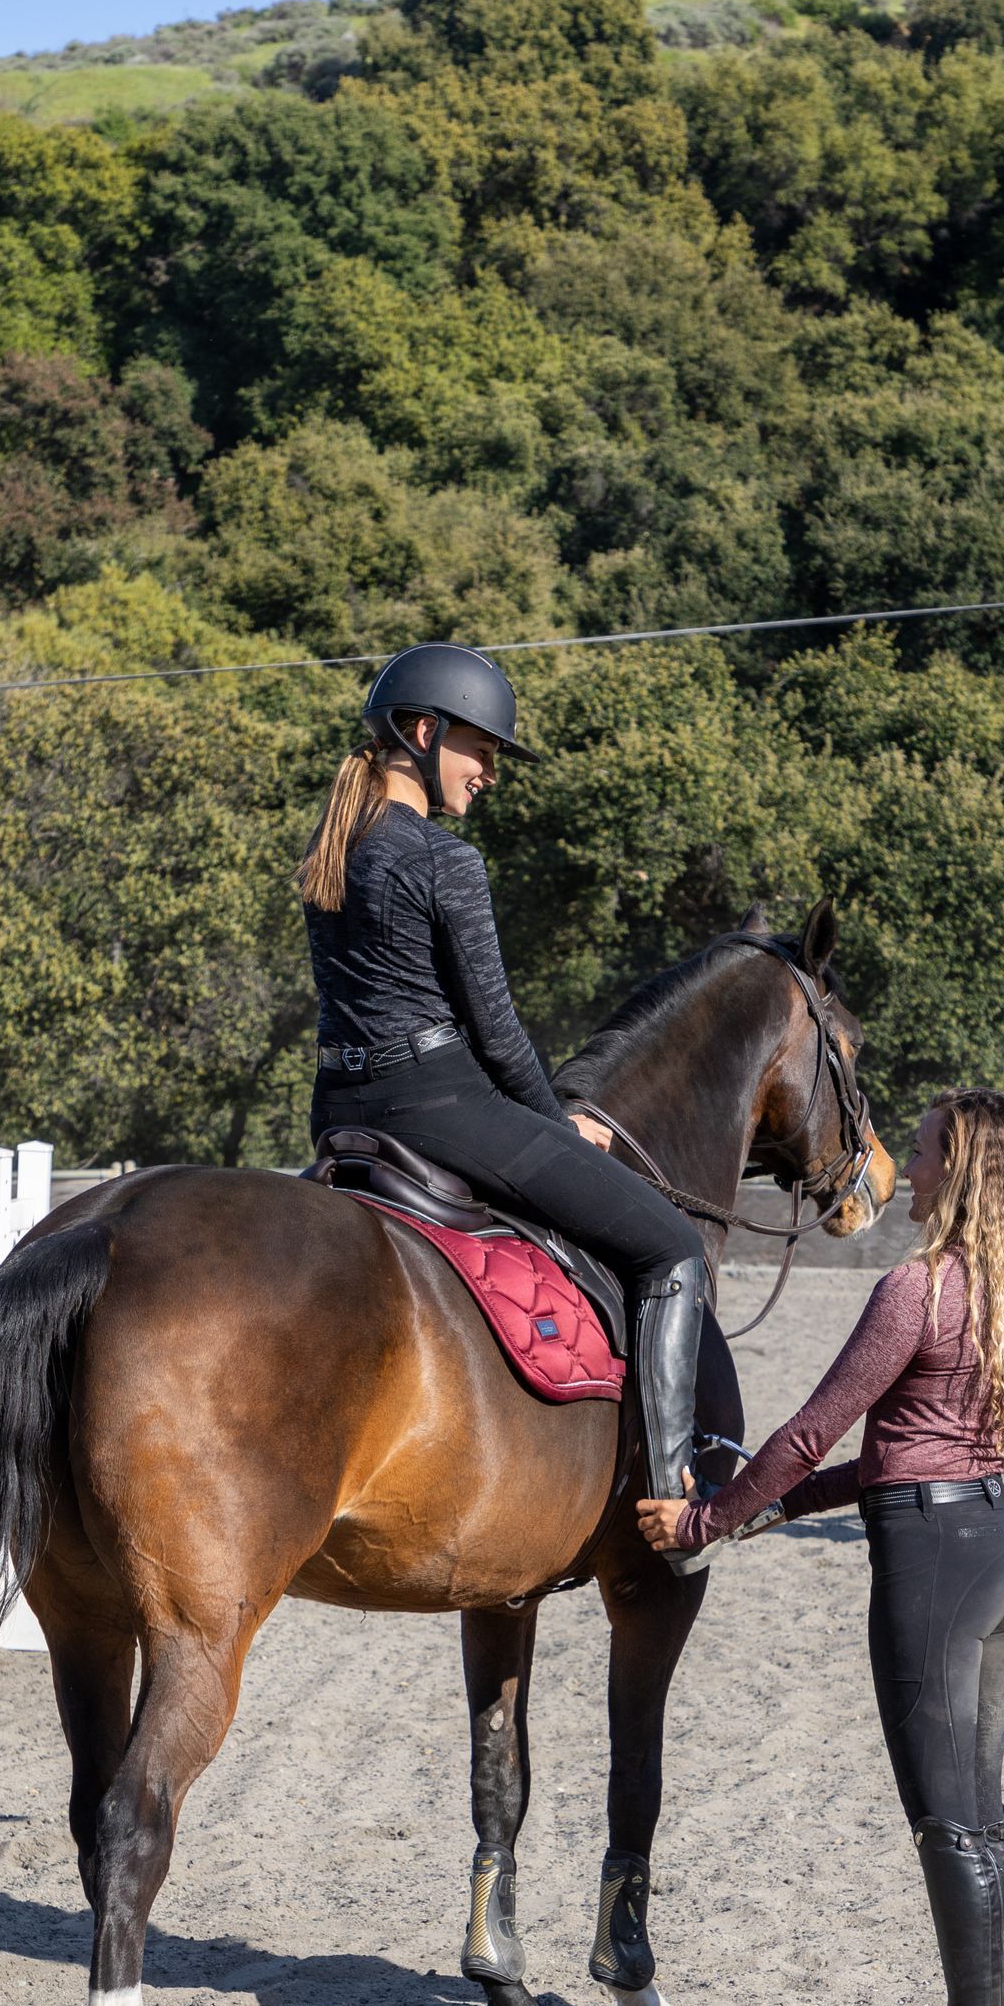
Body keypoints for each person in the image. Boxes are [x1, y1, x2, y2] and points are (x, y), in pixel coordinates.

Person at [638, 1089, 1004, 2006]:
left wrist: (708, 1522)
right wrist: (768, 1511)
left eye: (926, 1152)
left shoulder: (917, 1289)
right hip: (995, 1549)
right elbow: (898, 1457)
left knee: (948, 1819)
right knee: (979, 1812)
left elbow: (810, 1431)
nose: (909, 1168)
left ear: (964, 1170)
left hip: (934, 1566)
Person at [302, 641, 709, 1558]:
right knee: (672, 1246)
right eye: (479, 749)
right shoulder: (445, 863)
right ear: (422, 730)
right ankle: (671, 1493)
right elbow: (498, 1032)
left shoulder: (335, 850)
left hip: (342, 1113)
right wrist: (551, 1120)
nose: (490, 772)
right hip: (442, 1104)